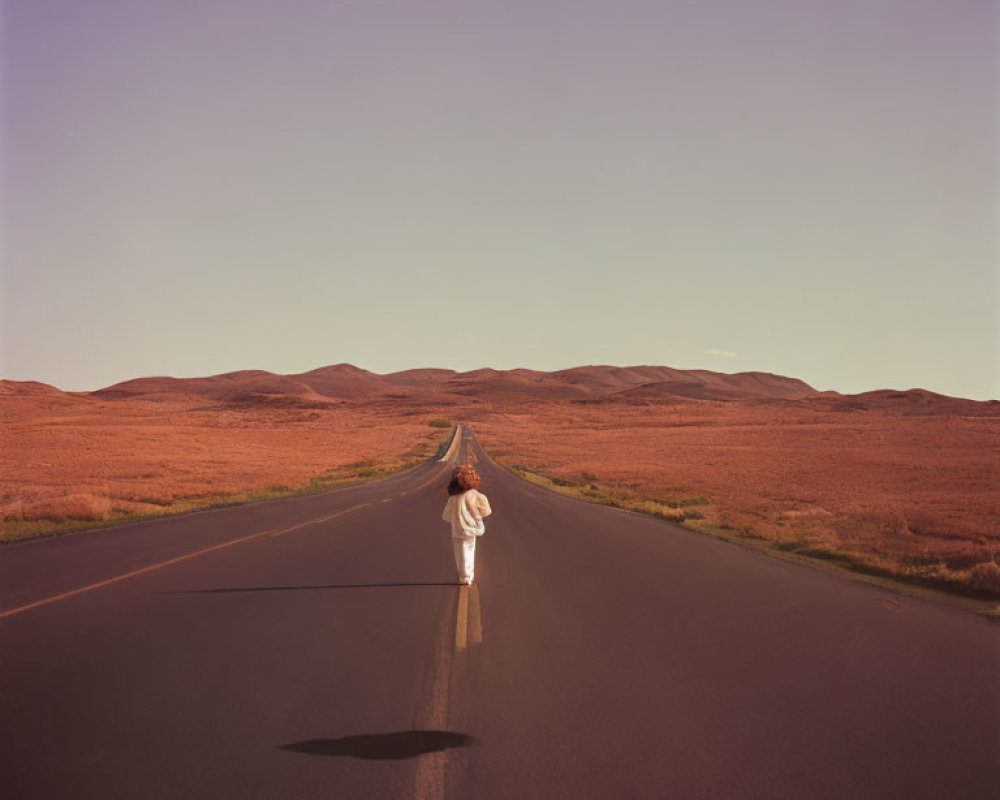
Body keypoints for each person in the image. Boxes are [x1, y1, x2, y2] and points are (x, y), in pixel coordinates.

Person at [442, 465, 492, 585]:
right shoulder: (479, 496)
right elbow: (487, 512)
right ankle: (469, 575)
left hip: (458, 530)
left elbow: (446, 516)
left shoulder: (453, 498)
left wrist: (456, 519)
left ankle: (464, 576)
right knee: (470, 550)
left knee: (460, 553)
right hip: (473, 529)